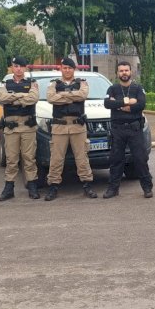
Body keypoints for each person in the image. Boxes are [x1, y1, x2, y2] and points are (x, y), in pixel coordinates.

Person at [45, 57, 96, 201]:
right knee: (56, 158)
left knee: (82, 158)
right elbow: (50, 98)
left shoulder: (82, 83)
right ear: (61, 69)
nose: (67, 70)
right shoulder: (54, 83)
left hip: (77, 126)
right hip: (59, 126)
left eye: (70, 68)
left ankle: (87, 185)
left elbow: (83, 95)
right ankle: (53, 186)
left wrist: (62, 95)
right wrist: (72, 96)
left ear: (74, 69)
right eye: (65, 68)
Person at [103, 61, 153, 199]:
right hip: (117, 130)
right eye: (121, 71)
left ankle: (147, 187)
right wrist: (127, 102)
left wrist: (118, 105)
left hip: (134, 129)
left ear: (131, 72)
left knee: (140, 159)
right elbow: (107, 103)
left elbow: (141, 104)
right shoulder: (112, 89)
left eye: (126, 70)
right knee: (116, 160)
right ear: (117, 73)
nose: (124, 73)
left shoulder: (137, 88)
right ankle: (113, 188)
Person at [0, 56, 40, 201]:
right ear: (12, 67)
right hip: (11, 128)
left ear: (25, 68)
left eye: (21, 66)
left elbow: (33, 98)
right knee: (11, 159)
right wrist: (22, 97)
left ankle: (32, 186)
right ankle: (9, 188)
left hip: (28, 126)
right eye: (16, 66)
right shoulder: (4, 84)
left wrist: (13, 98)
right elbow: (1, 98)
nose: (18, 68)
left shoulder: (32, 83)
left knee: (29, 158)